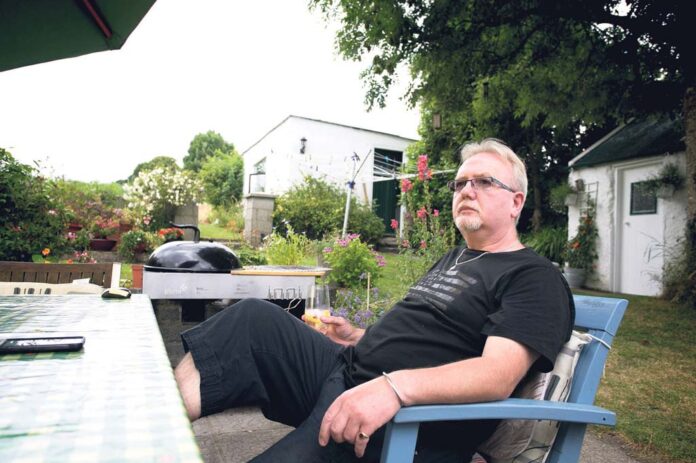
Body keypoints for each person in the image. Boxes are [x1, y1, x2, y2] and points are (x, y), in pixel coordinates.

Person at [174, 139, 574, 462]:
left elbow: (496, 375)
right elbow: (427, 337)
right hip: (347, 373)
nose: (466, 190)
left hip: (401, 424)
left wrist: (393, 388)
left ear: (516, 202)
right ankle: (162, 433)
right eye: (460, 183)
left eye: (484, 182)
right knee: (250, 321)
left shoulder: (533, 276)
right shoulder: (456, 257)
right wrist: (360, 336)